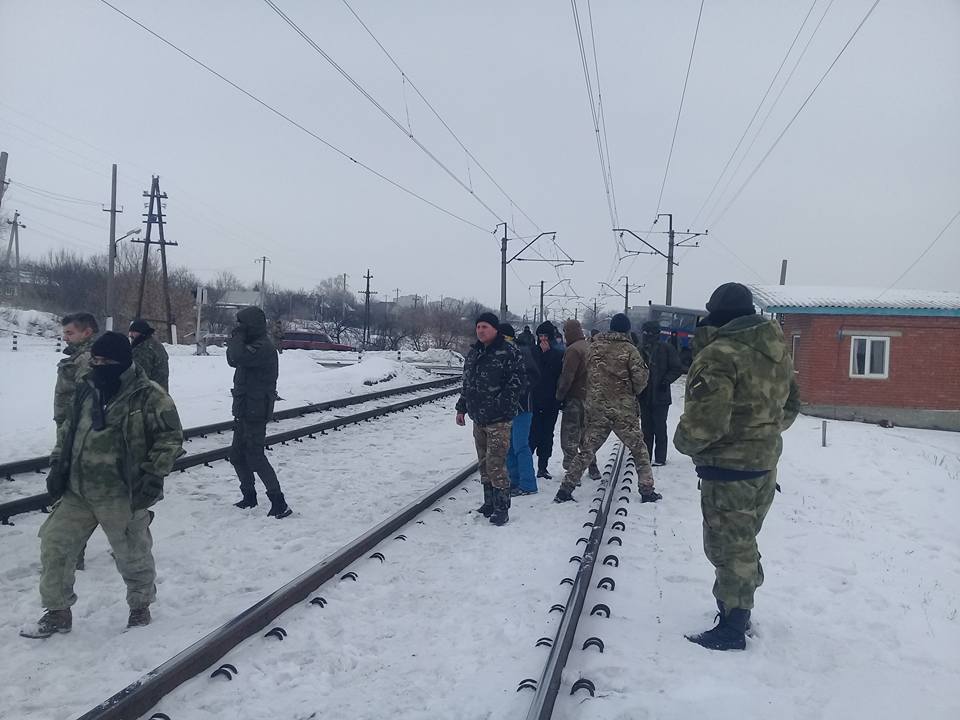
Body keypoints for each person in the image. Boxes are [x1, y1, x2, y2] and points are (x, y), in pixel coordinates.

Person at [22, 332, 183, 638]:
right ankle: (57, 612)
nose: (97, 365)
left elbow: (171, 439)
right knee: (55, 545)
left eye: (104, 361)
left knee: (132, 554)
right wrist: (58, 463)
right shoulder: (87, 388)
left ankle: (140, 608)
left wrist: (153, 474)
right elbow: (68, 430)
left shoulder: (149, 396)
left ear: (122, 362)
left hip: (121, 493)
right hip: (78, 490)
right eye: (94, 360)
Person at [675, 283, 800, 651]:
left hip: (728, 469)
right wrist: (761, 434)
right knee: (744, 542)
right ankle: (737, 609)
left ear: (716, 315)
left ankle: (732, 626)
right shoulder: (776, 350)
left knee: (728, 548)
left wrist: (683, 442)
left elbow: (706, 424)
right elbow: (792, 403)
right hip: (763, 465)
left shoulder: (719, 354)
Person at [555, 313, 659, 504]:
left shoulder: (593, 347)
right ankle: (646, 489)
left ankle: (565, 489)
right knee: (638, 449)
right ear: (627, 330)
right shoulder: (630, 350)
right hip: (623, 410)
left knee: (586, 450)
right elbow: (640, 380)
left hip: (596, 409)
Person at [455, 312, 523, 526]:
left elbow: (517, 384)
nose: (480, 330)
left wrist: (499, 406)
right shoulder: (474, 353)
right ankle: (489, 502)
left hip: (499, 419)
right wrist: (461, 408)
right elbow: (467, 383)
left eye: (485, 326)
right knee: (484, 463)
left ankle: (502, 507)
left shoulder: (508, 351)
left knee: (496, 463)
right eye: (478, 327)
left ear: (495, 329)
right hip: (479, 418)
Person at [228, 307, 292, 518]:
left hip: (255, 410)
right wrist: (240, 336)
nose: (239, 328)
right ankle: (249, 495)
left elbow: (238, 356)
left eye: (242, 324)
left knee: (255, 456)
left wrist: (238, 336)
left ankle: (278, 501)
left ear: (251, 326)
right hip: (244, 408)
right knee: (237, 455)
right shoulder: (249, 345)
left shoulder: (263, 347)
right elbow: (232, 359)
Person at [53, 312, 99, 572]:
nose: (65, 336)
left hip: (79, 435)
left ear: (87, 332)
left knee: (78, 493)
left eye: (70, 332)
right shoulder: (77, 356)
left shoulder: (89, 359)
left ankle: (74, 553)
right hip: (69, 430)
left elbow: (87, 398)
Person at [555, 319, 601, 482]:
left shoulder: (573, 350)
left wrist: (559, 396)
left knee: (570, 437)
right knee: (585, 436)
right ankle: (593, 466)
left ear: (569, 332)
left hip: (574, 398)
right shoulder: (588, 346)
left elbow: (567, 377)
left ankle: (572, 472)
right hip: (589, 398)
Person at [499, 323, 539, 495]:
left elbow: (534, 376)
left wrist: (518, 391)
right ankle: (515, 481)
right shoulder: (500, 353)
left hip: (523, 406)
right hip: (507, 408)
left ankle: (528, 484)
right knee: (509, 446)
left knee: (520, 445)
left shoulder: (521, 352)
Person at [638, 320, 684, 466]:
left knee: (659, 428)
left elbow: (677, 368)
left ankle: (660, 458)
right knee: (645, 428)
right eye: (645, 332)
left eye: (650, 332)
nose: (647, 335)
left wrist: (666, 381)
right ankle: (646, 457)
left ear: (656, 334)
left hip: (660, 396)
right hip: (644, 396)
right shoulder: (639, 349)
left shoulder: (666, 349)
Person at [529, 321, 564, 479]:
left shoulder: (558, 354)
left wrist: (548, 354)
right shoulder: (532, 352)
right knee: (532, 434)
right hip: (534, 401)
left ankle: (543, 466)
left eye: (545, 336)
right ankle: (527, 466)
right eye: (540, 336)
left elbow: (558, 374)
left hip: (551, 401)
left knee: (547, 435)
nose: (543, 339)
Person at [128, 319, 170, 391]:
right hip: (160, 391)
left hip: (149, 393)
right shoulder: (155, 343)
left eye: (134, 332)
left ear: (141, 332)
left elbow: (141, 374)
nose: (131, 335)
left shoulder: (143, 348)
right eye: (130, 332)